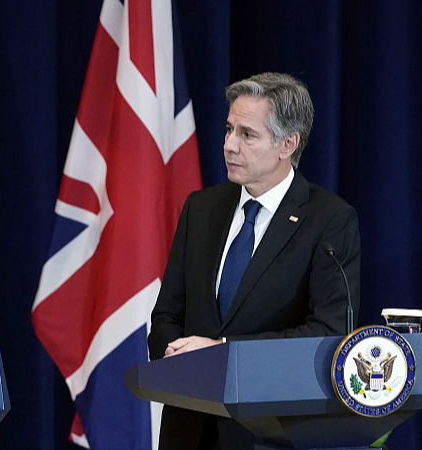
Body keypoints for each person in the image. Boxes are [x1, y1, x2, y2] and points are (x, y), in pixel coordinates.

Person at [147, 72, 361, 449]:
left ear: (288, 144)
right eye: (229, 129)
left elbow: (328, 334)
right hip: (189, 432)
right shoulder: (201, 209)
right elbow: (166, 318)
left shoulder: (329, 220)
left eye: (247, 135)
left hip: (269, 436)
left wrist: (223, 353)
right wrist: (179, 357)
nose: (230, 145)